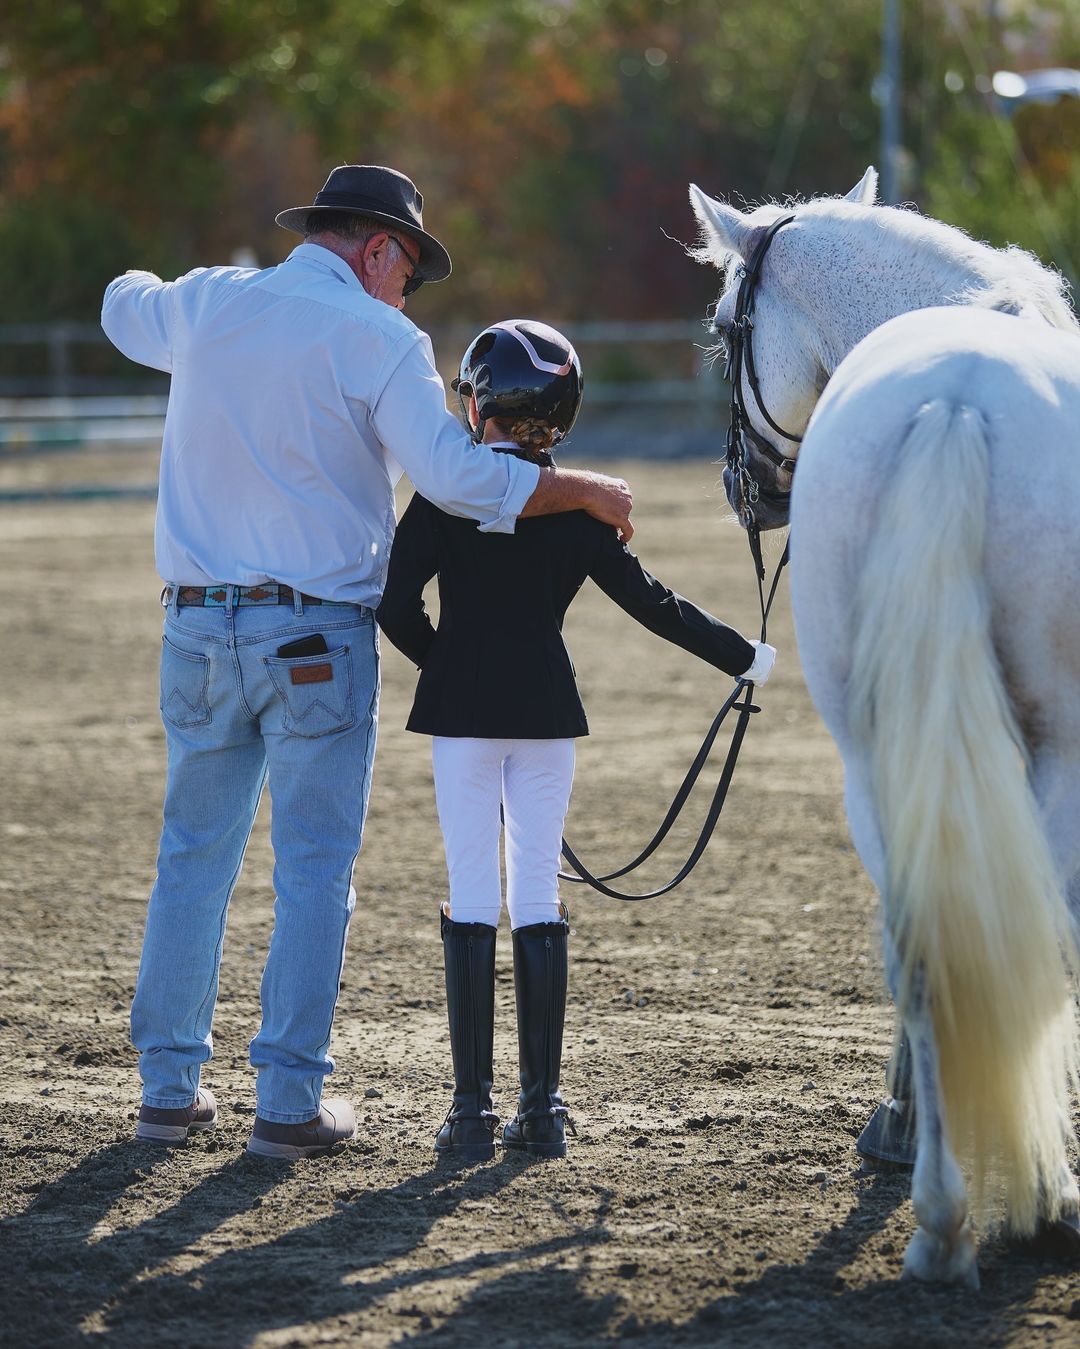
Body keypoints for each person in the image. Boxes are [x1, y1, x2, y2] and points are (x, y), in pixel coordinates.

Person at [100, 164, 635, 1160]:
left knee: (192, 861)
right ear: (379, 248)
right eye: (410, 271)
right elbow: (458, 477)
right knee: (312, 871)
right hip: (312, 636)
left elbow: (120, 303)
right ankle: (287, 1104)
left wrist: (166, 286)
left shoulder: (212, 300)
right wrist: (582, 487)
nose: (408, 291)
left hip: (196, 625)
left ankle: (166, 1091)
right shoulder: (379, 336)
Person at [376, 319, 777, 1162]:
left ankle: (471, 1113)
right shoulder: (581, 511)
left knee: (471, 892)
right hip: (547, 717)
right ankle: (543, 1110)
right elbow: (655, 605)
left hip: (462, 721)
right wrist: (747, 657)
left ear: (484, 406)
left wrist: (447, 663)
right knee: (539, 893)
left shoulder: (444, 496)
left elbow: (394, 605)